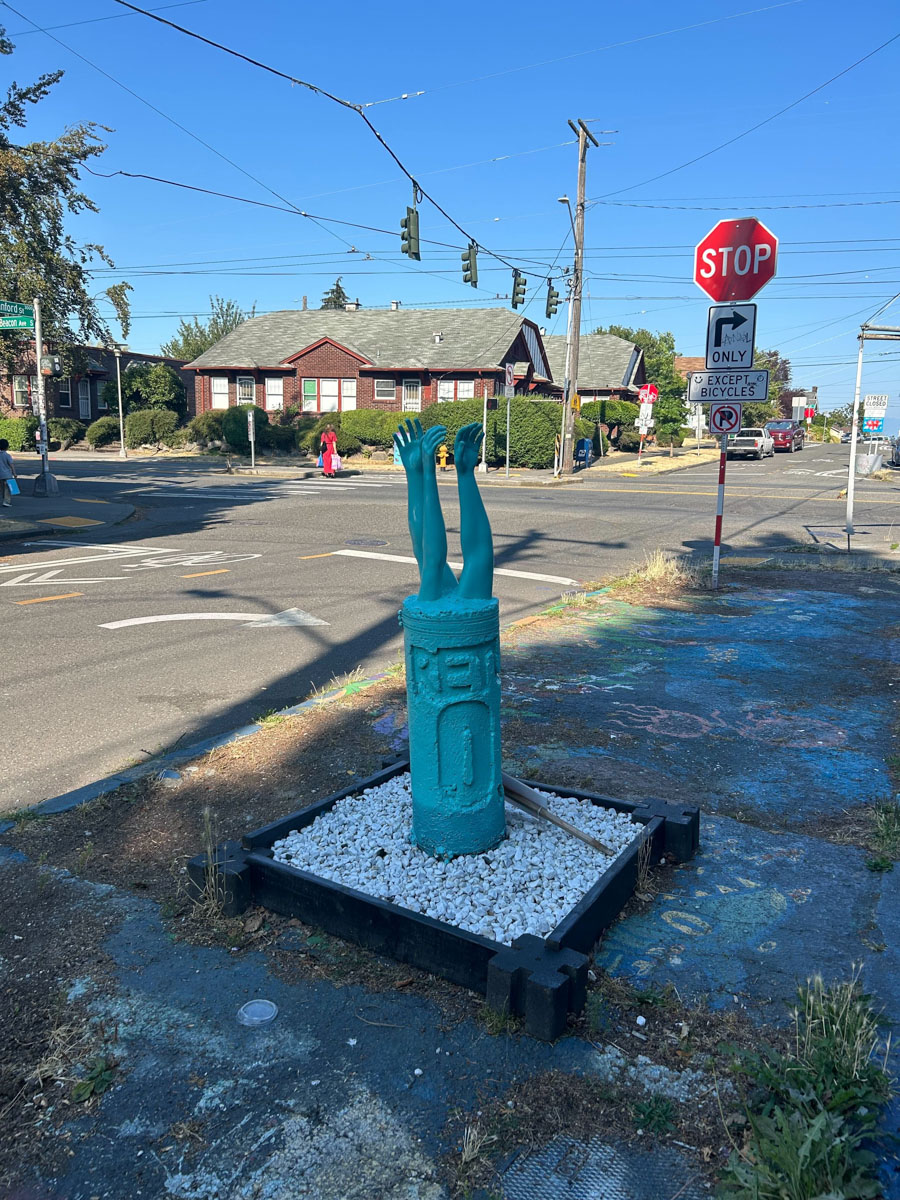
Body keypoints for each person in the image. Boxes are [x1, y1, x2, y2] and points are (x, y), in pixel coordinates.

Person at [0, 438, 17, 507]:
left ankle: (3, 499)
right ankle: (6, 501)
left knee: (2, 488)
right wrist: (14, 473)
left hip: (0, 474)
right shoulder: (7, 455)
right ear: (7, 447)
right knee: (9, 488)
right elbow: (11, 465)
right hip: (7, 474)